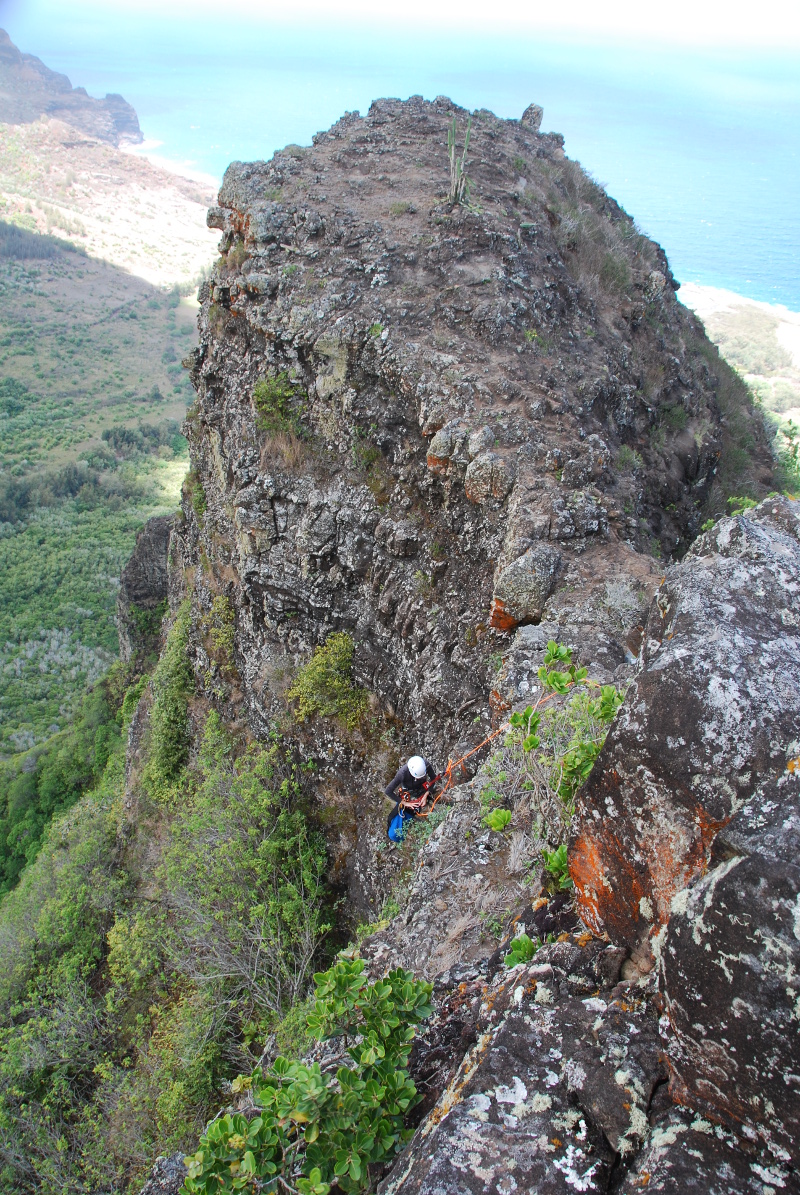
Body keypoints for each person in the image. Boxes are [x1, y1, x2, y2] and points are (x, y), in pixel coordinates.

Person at [385, 755, 438, 843]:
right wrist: (405, 803)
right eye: (418, 777)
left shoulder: (426, 765)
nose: (420, 778)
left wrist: (426, 795)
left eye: (422, 777)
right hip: (409, 797)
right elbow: (388, 791)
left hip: (424, 792)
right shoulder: (402, 774)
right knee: (393, 829)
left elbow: (434, 779)